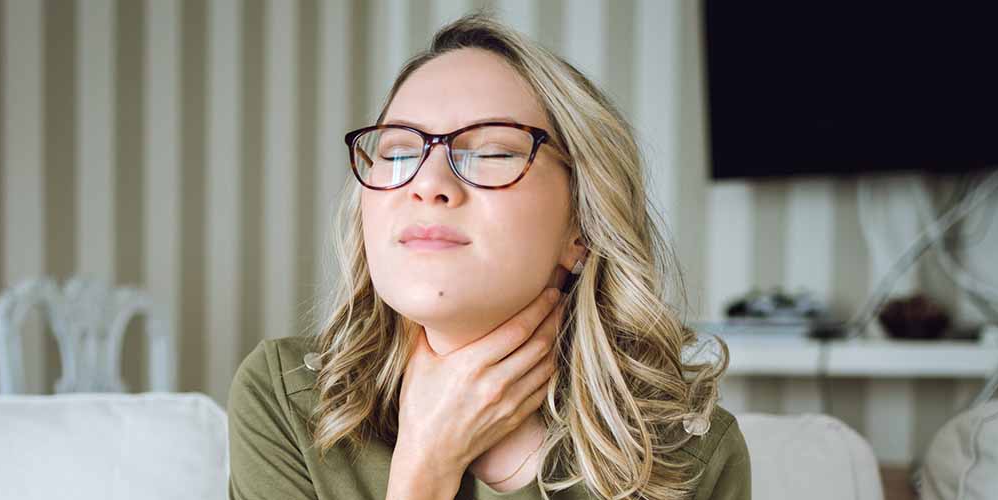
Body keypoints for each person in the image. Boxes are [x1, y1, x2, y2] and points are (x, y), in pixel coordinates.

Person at [228, 13, 750, 500]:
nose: (428, 184)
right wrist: (426, 465)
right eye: (398, 153)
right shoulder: (285, 398)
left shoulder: (691, 456)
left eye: (494, 153)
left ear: (582, 224)